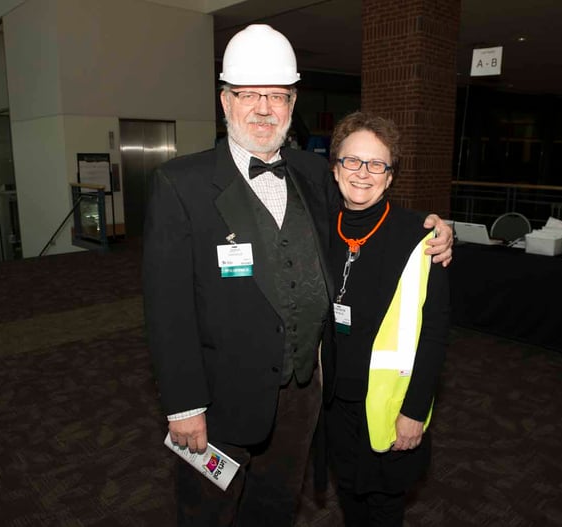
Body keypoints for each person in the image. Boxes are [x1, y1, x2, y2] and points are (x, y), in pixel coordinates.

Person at [142, 24, 453, 527]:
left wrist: (435, 227)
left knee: (274, 508)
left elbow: (366, 211)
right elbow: (166, 309)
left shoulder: (313, 174)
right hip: (220, 402)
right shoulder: (181, 185)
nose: (264, 109)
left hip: (302, 396)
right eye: (250, 95)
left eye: (278, 97)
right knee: (207, 513)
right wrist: (183, 406)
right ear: (225, 102)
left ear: (292, 104)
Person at [321, 112, 450, 527]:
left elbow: (434, 336)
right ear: (335, 168)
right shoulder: (318, 229)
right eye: (352, 161)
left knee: (384, 507)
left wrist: (415, 412)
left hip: (389, 407)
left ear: (390, 176)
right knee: (349, 499)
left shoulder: (420, 237)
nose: (363, 173)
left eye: (377, 164)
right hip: (333, 404)